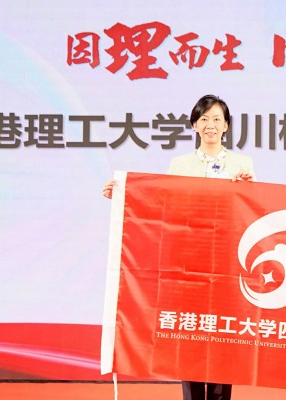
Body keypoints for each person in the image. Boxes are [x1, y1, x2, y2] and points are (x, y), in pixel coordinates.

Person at [102, 94, 255, 400]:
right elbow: (163, 205)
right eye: (204, 119)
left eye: (216, 119)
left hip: (228, 262)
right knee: (193, 334)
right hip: (190, 263)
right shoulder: (180, 164)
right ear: (195, 125)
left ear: (226, 125)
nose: (210, 125)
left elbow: (252, 210)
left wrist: (249, 189)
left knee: (223, 333)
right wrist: (123, 195)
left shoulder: (242, 163)